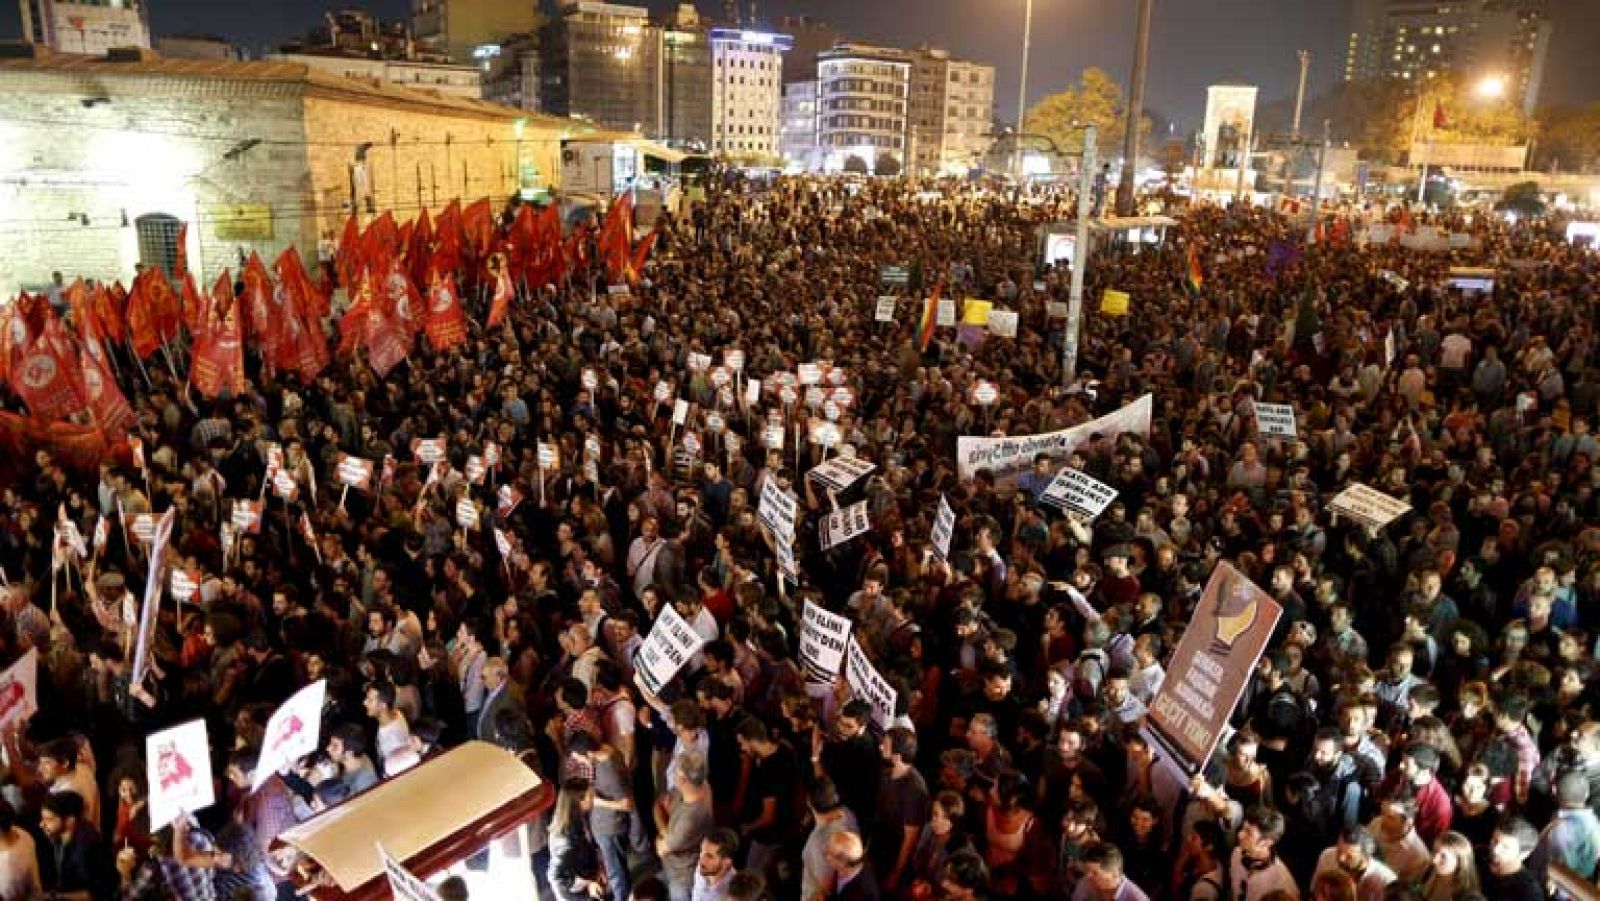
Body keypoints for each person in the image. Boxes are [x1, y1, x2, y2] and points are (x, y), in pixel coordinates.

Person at [658, 751, 715, 901]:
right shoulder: (704, 785)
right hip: (681, 865)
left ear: (683, 780)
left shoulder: (688, 821)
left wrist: (662, 830)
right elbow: (661, 803)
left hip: (682, 875)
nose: (673, 776)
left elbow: (661, 848)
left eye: (675, 772)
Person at [1227, 807, 1298, 901]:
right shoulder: (1237, 853)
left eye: (1248, 832)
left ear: (1267, 842)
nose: (1240, 834)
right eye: (1242, 828)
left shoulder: (1282, 885)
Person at [1073, 840, 1149, 901]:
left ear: (1114, 873)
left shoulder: (1137, 898)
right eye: (1087, 870)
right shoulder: (1085, 883)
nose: (1088, 875)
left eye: (1095, 873)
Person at [823, 831, 877, 901]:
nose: (825, 854)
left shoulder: (862, 892)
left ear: (842, 863)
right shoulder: (848, 865)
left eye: (829, 853)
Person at [692, 830, 739, 901]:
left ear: (727, 862)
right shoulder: (703, 868)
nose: (701, 860)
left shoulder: (733, 893)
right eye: (701, 851)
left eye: (709, 856)